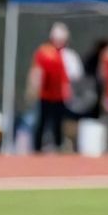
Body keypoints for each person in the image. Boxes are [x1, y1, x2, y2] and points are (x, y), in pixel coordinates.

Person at [29, 22, 74, 152]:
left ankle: (58, 146)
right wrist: (33, 87)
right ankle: (37, 148)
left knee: (58, 122)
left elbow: (67, 75)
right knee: (42, 121)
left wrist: (68, 91)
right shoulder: (45, 51)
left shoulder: (65, 54)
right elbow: (37, 70)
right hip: (45, 94)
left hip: (59, 96)